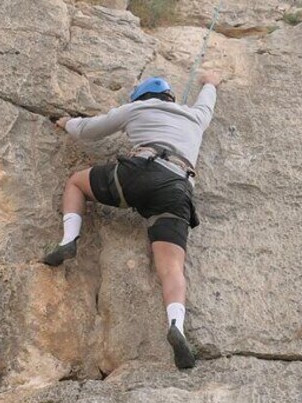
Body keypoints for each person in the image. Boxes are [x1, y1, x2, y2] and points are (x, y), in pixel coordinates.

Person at [43, 71, 222, 370]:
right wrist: (211, 83)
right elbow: (207, 103)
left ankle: (69, 240)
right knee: (172, 268)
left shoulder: (137, 108)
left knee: (76, 183)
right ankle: (176, 324)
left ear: (140, 97)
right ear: (170, 97)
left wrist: (66, 123)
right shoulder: (195, 117)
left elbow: (89, 129)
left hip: (140, 172)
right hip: (177, 187)